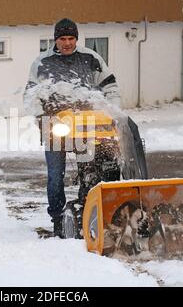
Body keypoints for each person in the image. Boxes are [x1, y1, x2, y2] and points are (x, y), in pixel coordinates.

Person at [24, 18, 120, 237]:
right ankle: (58, 218)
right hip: (56, 125)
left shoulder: (90, 58)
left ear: (76, 38)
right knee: (55, 175)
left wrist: (113, 112)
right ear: (55, 39)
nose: (67, 43)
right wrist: (41, 118)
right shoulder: (42, 62)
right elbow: (31, 95)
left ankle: (87, 211)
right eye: (62, 39)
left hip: (87, 126)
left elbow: (111, 86)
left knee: (90, 169)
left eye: (71, 38)